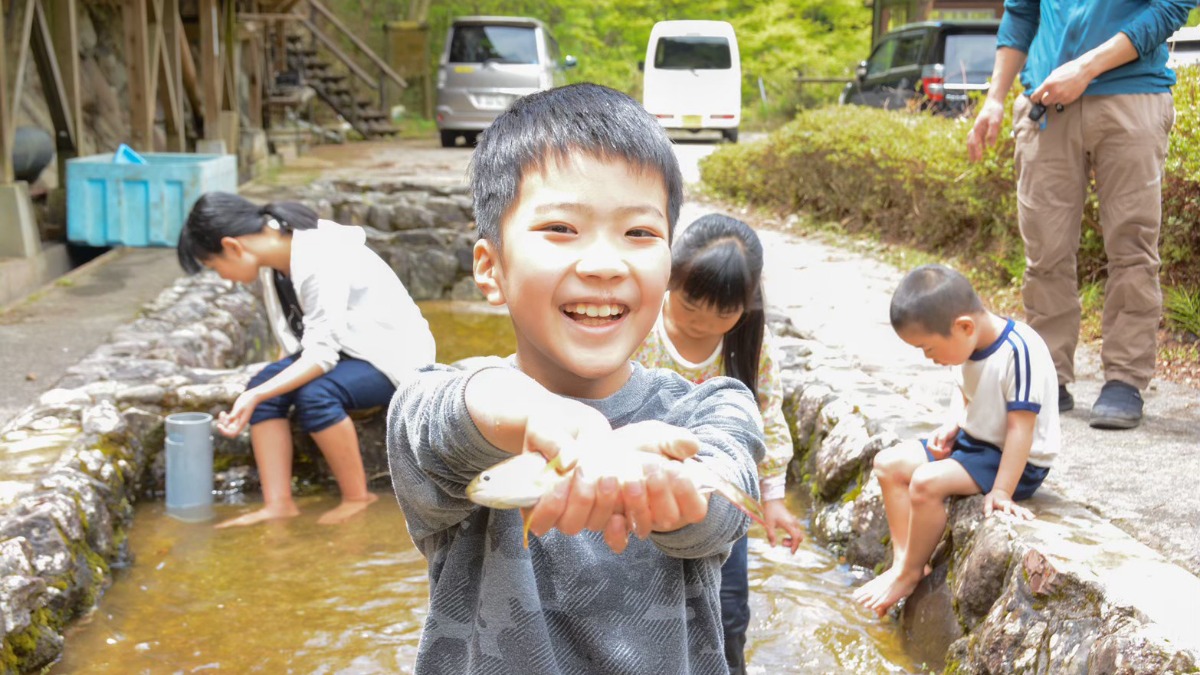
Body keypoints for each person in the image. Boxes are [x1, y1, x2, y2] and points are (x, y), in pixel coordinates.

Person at [386, 83, 764, 674]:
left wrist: (671, 488)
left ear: (668, 265)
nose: (604, 264)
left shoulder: (710, 407)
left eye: (639, 233)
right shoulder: (449, 409)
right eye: (561, 229)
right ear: (490, 268)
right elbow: (434, 415)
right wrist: (546, 420)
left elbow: (724, 501)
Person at [966, 0, 1193, 429]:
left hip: (1132, 97)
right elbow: (1021, 13)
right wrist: (994, 99)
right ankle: (1050, 376)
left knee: (1132, 247)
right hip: (1046, 106)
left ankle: (1125, 379)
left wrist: (1086, 68)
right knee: (1045, 250)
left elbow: (1170, 8)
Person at [177, 192, 436, 527]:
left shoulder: (319, 254)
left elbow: (322, 355)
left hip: (390, 357)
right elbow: (298, 344)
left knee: (315, 395)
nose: (222, 277)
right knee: (264, 387)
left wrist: (255, 394)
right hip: (346, 352)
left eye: (215, 267)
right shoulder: (276, 266)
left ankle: (358, 496)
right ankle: (278, 504)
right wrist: (262, 389)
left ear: (233, 246)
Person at [632, 212, 802, 674]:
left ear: (745, 307)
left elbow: (767, 415)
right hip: (642, 496)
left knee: (728, 613)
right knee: (641, 608)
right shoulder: (638, 328)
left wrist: (773, 500)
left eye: (723, 313)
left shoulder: (748, 345)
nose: (703, 324)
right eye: (690, 305)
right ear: (671, 276)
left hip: (723, 498)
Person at [853, 264, 1059, 616]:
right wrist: (952, 424)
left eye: (928, 348)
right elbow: (961, 389)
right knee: (887, 464)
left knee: (926, 483)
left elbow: (1020, 429)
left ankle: (909, 573)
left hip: (1014, 461)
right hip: (973, 445)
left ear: (964, 326)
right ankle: (905, 562)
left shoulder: (1019, 351)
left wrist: (1003, 490)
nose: (928, 358)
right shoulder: (966, 344)